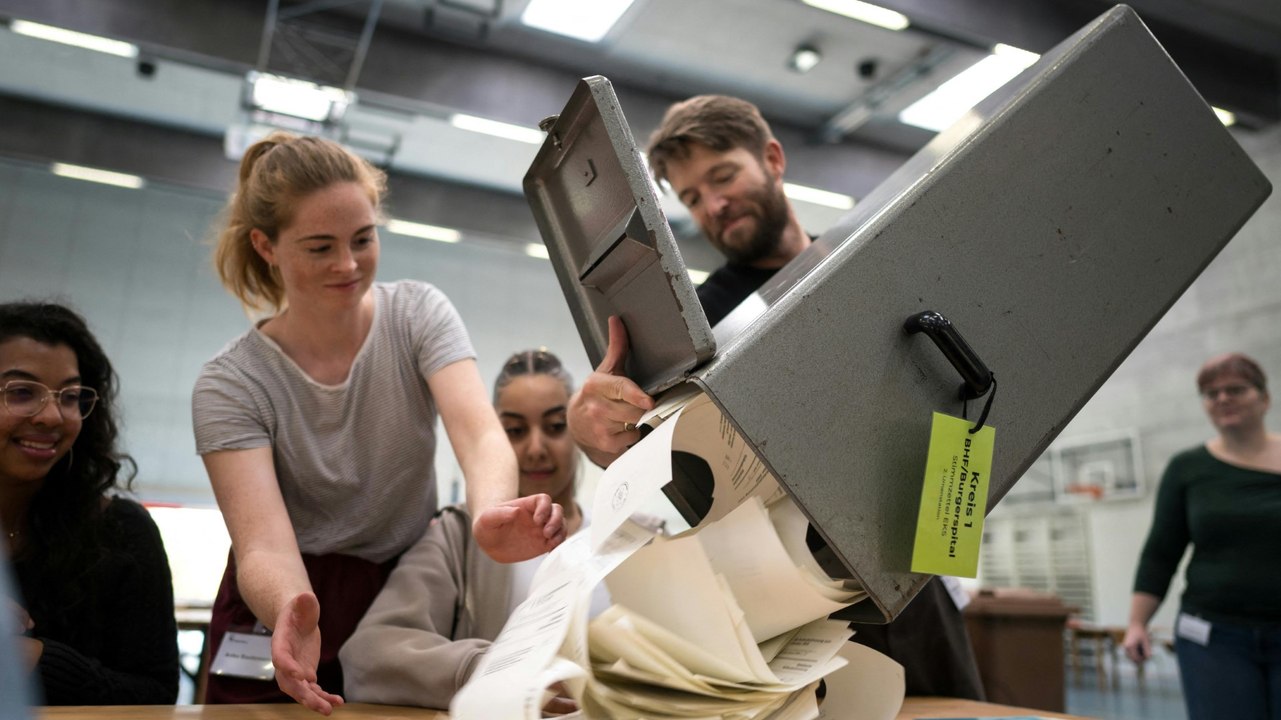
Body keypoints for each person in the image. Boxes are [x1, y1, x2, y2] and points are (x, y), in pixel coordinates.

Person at [567, 94, 985, 699]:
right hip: (790, 599)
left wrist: (955, 527)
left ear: (773, 157)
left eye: (723, 175)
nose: (713, 204)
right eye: (690, 198)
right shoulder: (697, 324)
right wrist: (594, 434)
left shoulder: (869, 263)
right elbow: (643, 445)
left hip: (914, 572)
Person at [193, 133, 565, 714]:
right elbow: (262, 541)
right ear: (266, 245)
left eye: (363, 240)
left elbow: (479, 432)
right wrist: (290, 606)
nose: (348, 264)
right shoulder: (232, 383)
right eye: (320, 248)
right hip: (288, 601)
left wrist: (491, 510)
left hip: (401, 591)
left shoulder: (416, 314)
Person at [341, 349, 647, 710]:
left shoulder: (632, 542)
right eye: (515, 431)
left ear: (578, 433)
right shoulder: (458, 537)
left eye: (554, 426)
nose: (535, 448)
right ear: (494, 439)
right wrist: (490, 671)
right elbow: (367, 656)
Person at [1, 301, 178, 704]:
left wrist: (32, 657)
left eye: (70, 397)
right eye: (22, 392)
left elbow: (155, 697)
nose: (51, 416)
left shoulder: (121, 532)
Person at [1123, 352, 1281, 720]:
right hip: (1214, 637)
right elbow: (1161, 553)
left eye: (1235, 389)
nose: (1222, 398)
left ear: (1264, 397)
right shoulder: (1187, 469)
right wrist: (1136, 624)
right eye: (1211, 393)